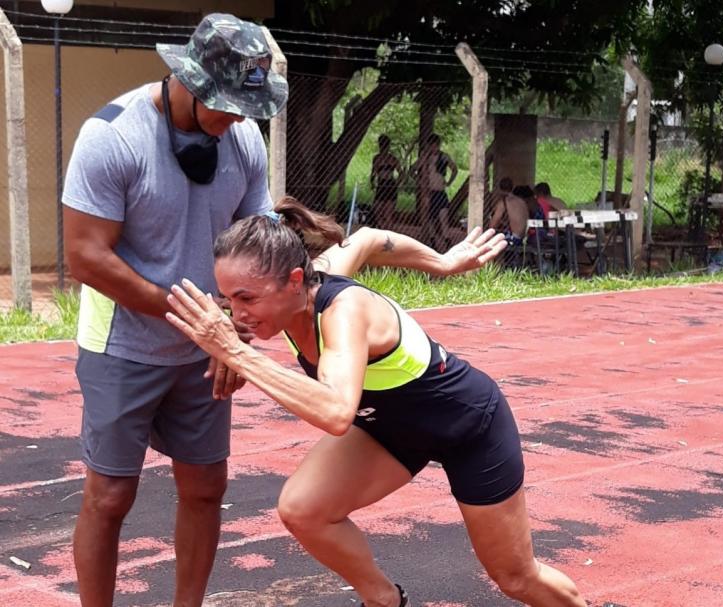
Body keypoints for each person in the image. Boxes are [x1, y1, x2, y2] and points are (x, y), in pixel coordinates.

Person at [60, 13, 501, 607]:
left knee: (205, 487)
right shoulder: (113, 136)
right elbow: (86, 257)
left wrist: (233, 334)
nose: (240, 118)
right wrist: (205, 325)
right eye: (230, 104)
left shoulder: (240, 140)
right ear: (189, 81)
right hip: (127, 340)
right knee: (110, 495)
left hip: (213, 338)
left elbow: (259, 242)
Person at [165, 196, 587, 607]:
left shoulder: (344, 311)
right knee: (303, 509)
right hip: (390, 431)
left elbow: (334, 411)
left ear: (295, 280)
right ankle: (382, 598)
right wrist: (441, 262)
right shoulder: (304, 284)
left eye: (247, 298)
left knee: (514, 577)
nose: (236, 316)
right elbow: (366, 239)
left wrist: (235, 352)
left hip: (467, 427)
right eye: (228, 299)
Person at [416, 133, 458, 252]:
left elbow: (454, 169)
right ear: (429, 146)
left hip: (440, 192)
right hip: (429, 192)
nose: (434, 148)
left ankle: (447, 241)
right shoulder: (425, 157)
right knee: (430, 220)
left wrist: (449, 182)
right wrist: (420, 181)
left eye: (436, 146)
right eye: (432, 146)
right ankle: (433, 241)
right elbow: (414, 168)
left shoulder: (444, 157)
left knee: (443, 218)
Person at [370, 134, 402, 229]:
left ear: (388, 146)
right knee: (377, 210)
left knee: (388, 214)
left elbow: (401, 173)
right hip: (381, 185)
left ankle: (388, 235)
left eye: (385, 145)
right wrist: (372, 182)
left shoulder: (392, 158)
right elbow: (373, 172)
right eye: (381, 145)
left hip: (390, 185)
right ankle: (383, 230)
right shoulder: (376, 158)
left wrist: (396, 184)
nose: (383, 147)